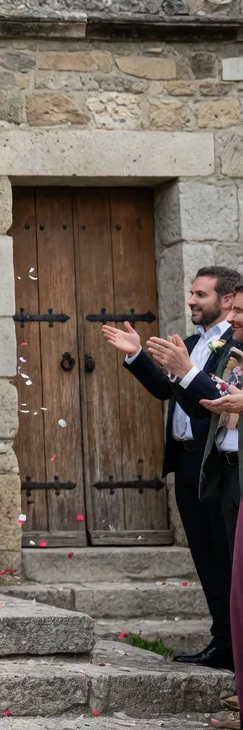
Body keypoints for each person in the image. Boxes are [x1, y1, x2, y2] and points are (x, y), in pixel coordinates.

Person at [103, 266, 242, 669]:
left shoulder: (233, 345)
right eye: (192, 293)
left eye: (201, 294)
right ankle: (223, 641)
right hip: (185, 461)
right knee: (205, 553)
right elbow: (167, 390)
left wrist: (186, 370)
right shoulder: (193, 342)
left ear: (226, 299)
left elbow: (209, 396)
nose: (191, 300)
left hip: (215, 462)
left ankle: (232, 644)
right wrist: (136, 355)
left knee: (226, 553)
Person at [162, 278, 243, 730]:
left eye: (239, 311)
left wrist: (188, 373)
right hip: (214, 465)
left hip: (230, 470)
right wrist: (159, 364)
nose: (233, 320)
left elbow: (218, 396)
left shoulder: (230, 344)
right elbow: (198, 399)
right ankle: (229, 649)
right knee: (225, 571)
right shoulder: (204, 342)